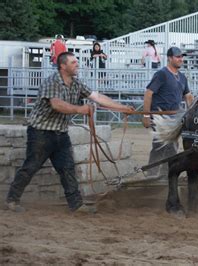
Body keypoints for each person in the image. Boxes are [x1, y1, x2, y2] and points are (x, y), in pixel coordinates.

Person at [5, 52, 134, 213]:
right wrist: (80, 109)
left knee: (67, 168)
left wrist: (122, 108)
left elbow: (97, 97)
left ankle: (76, 204)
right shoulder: (52, 82)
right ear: (63, 66)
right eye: (73, 62)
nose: (77, 65)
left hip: (60, 132)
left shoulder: (76, 83)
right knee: (31, 166)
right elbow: (57, 104)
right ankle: (12, 199)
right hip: (41, 132)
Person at [142, 47, 194, 180]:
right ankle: (154, 174)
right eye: (177, 57)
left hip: (174, 118)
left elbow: (188, 96)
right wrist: (146, 115)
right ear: (169, 58)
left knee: (171, 146)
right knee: (163, 145)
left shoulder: (182, 77)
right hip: (160, 116)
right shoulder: (162, 74)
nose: (180, 59)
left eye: (181, 57)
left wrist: (193, 113)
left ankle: (165, 174)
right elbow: (149, 93)